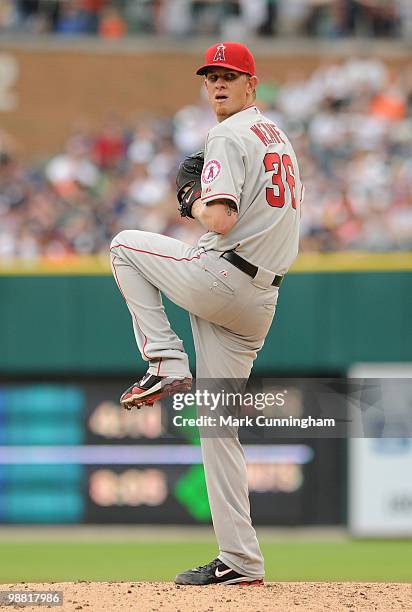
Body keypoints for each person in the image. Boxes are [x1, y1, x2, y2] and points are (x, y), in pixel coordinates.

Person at [110, 41, 303, 585]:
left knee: (125, 245)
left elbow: (217, 218)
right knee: (218, 426)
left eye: (229, 76)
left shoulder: (228, 132)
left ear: (251, 85)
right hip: (260, 299)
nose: (218, 84)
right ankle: (240, 561)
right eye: (210, 76)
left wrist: (190, 197)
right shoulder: (278, 137)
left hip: (224, 277)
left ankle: (166, 361)